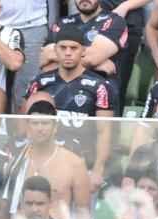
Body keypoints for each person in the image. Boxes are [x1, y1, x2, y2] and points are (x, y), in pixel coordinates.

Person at [26, 25, 115, 189]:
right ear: (55, 50)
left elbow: (104, 132)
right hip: (45, 163)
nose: (68, 52)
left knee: (81, 213)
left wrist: (98, 170)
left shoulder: (100, 86)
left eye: (73, 48)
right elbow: (26, 127)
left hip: (84, 165)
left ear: (83, 51)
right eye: (63, 48)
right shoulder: (39, 84)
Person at [4, 101, 91, 219]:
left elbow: (83, 213)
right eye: (35, 123)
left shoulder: (74, 164)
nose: (40, 128)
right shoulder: (16, 161)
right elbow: (5, 207)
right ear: (28, 126)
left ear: (55, 126)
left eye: (45, 123)